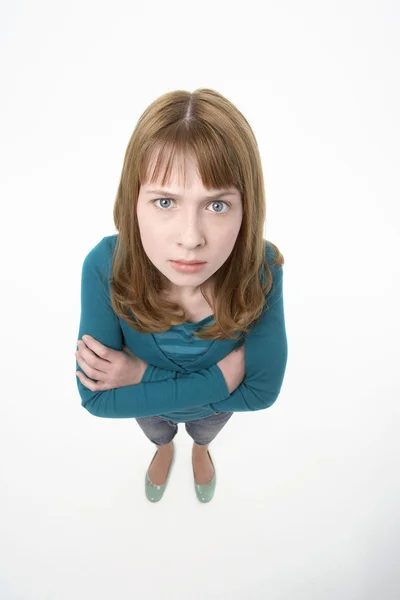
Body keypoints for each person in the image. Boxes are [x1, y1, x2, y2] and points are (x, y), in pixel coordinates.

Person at [75, 88, 288, 503]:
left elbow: (261, 394)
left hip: (212, 411)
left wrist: (137, 376)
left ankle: (201, 450)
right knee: (157, 431)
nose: (190, 239)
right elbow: (95, 400)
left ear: (248, 210)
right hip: (166, 409)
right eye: (166, 201)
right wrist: (224, 377)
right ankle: (164, 448)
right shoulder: (104, 266)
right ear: (133, 201)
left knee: (205, 431)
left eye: (217, 206)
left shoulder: (261, 267)